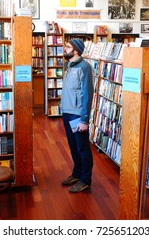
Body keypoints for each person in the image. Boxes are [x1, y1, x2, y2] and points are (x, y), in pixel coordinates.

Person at [61, 39, 94, 193]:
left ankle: (85, 179)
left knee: (82, 148)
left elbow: (87, 94)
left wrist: (84, 120)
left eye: (68, 47)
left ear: (76, 51)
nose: (65, 49)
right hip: (67, 112)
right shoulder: (68, 65)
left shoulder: (85, 67)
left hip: (77, 115)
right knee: (73, 146)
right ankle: (76, 173)